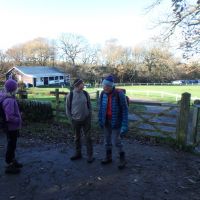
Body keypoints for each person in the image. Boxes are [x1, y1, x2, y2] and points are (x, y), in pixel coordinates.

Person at [98, 75, 128, 169]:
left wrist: (124, 124)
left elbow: (125, 109)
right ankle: (108, 157)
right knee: (107, 141)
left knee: (116, 141)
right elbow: (101, 108)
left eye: (107, 86)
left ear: (111, 86)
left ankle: (122, 159)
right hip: (106, 121)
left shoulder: (119, 94)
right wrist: (100, 119)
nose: (105, 88)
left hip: (116, 122)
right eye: (104, 86)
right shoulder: (102, 94)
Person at [66, 79, 95, 163]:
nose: (83, 85)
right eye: (82, 83)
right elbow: (67, 109)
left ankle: (90, 156)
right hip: (75, 121)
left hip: (86, 120)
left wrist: (89, 115)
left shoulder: (85, 94)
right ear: (77, 85)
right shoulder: (70, 95)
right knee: (77, 138)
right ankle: (78, 154)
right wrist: (71, 120)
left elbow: (89, 105)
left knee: (88, 137)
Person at [0, 79, 23, 174]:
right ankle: (9, 164)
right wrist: (19, 119)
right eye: (16, 87)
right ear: (13, 89)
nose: (17, 89)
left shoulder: (10, 98)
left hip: (12, 127)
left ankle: (12, 161)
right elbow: (9, 117)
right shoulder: (9, 100)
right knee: (11, 145)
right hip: (11, 127)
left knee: (13, 144)